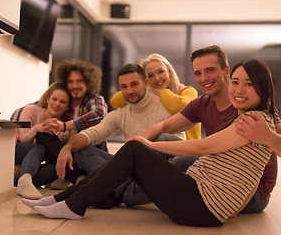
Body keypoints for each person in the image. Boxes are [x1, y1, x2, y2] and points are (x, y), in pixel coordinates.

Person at [23, 58, 277, 227]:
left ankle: (74, 202)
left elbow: (203, 147)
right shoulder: (252, 117)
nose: (238, 90)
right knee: (124, 152)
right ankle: (68, 198)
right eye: (236, 82)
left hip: (200, 204)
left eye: (249, 84)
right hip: (198, 197)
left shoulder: (254, 120)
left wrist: (151, 145)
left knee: (136, 148)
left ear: (263, 89)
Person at [142, 45, 280, 213]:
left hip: (250, 191)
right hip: (214, 172)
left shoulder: (256, 110)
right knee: (162, 138)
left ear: (225, 70)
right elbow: (164, 126)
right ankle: (124, 184)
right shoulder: (203, 102)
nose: (204, 78)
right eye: (198, 73)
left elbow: (204, 147)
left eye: (210, 70)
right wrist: (139, 142)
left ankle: (124, 195)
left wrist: (269, 137)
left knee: (181, 162)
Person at [54, 63, 185, 207]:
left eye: (134, 84)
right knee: (83, 151)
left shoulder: (164, 105)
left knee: (161, 140)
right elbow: (94, 132)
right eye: (124, 87)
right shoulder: (121, 113)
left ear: (145, 83)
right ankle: (120, 191)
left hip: (157, 174)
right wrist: (67, 147)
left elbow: (178, 149)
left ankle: (116, 191)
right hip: (130, 172)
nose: (129, 91)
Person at [34, 59, 108, 188]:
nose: (74, 86)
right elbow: (38, 106)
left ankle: (73, 177)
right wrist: (17, 120)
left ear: (88, 81)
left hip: (89, 153)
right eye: (70, 82)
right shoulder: (64, 101)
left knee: (90, 137)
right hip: (68, 155)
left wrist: (66, 125)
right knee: (42, 136)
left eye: (79, 81)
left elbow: (99, 114)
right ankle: (78, 178)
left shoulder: (95, 99)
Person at [110, 53, 201, 140]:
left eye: (160, 72)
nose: (157, 78)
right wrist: (137, 88)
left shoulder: (188, 91)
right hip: (160, 150)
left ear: (169, 71)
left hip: (189, 150)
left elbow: (183, 109)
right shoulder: (150, 96)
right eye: (151, 76)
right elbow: (115, 102)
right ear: (145, 80)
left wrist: (164, 93)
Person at [14, 82, 71, 199]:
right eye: (54, 99)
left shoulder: (63, 130)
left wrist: (25, 164)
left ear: (67, 107)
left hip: (30, 162)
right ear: (48, 99)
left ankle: (20, 181)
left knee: (56, 169)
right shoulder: (31, 110)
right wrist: (36, 129)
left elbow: (50, 155)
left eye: (62, 102)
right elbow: (23, 139)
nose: (57, 104)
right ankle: (25, 178)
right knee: (39, 147)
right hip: (17, 151)